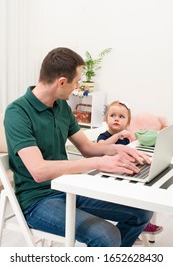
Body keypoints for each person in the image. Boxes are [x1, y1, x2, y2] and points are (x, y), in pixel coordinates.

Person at [4, 47, 153, 247]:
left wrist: (117, 149)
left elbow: (87, 148)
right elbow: (39, 171)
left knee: (141, 213)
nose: (78, 86)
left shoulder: (62, 107)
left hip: (70, 187)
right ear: (62, 82)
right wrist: (99, 163)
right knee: (107, 236)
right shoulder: (18, 112)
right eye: (77, 81)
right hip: (38, 200)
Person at [97, 100, 163, 241]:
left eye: (121, 117)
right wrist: (116, 136)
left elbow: (131, 149)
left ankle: (140, 225)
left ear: (127, 122)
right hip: (107, 176)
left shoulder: (126, 137)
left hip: (123, 171)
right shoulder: (104, 136)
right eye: (113, 115)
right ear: (106, 119)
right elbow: (100, 148)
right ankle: (137, 225)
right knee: (135, 194)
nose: (116, 119)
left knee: (145, 188)